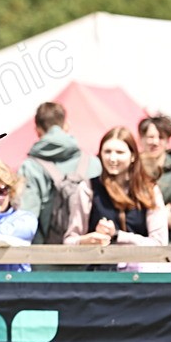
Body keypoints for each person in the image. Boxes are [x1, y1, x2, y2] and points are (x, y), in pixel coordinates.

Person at [63, 127, 169, 272]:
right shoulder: (88, 188)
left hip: (143, 279)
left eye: (119, 152)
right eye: (107, 152)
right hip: (101, 278)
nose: (112, 158)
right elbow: (69, 241)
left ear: (133, 156)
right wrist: (86, 240)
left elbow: (159, 243)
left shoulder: (149, 190)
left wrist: (118, 236)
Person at [17, 102, 101, 243]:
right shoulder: (93, 162)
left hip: (45, 259)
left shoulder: (30, 167)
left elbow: (26, 219)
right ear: (66, 125)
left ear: (37, 130)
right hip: (89, 255)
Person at [137, 114, 171, 238]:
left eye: (161, 137)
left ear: (167, 142)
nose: (155, 142)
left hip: (167, 247)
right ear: (141, 139)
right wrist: (161, 213)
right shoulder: (130, 171)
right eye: (150, 137)